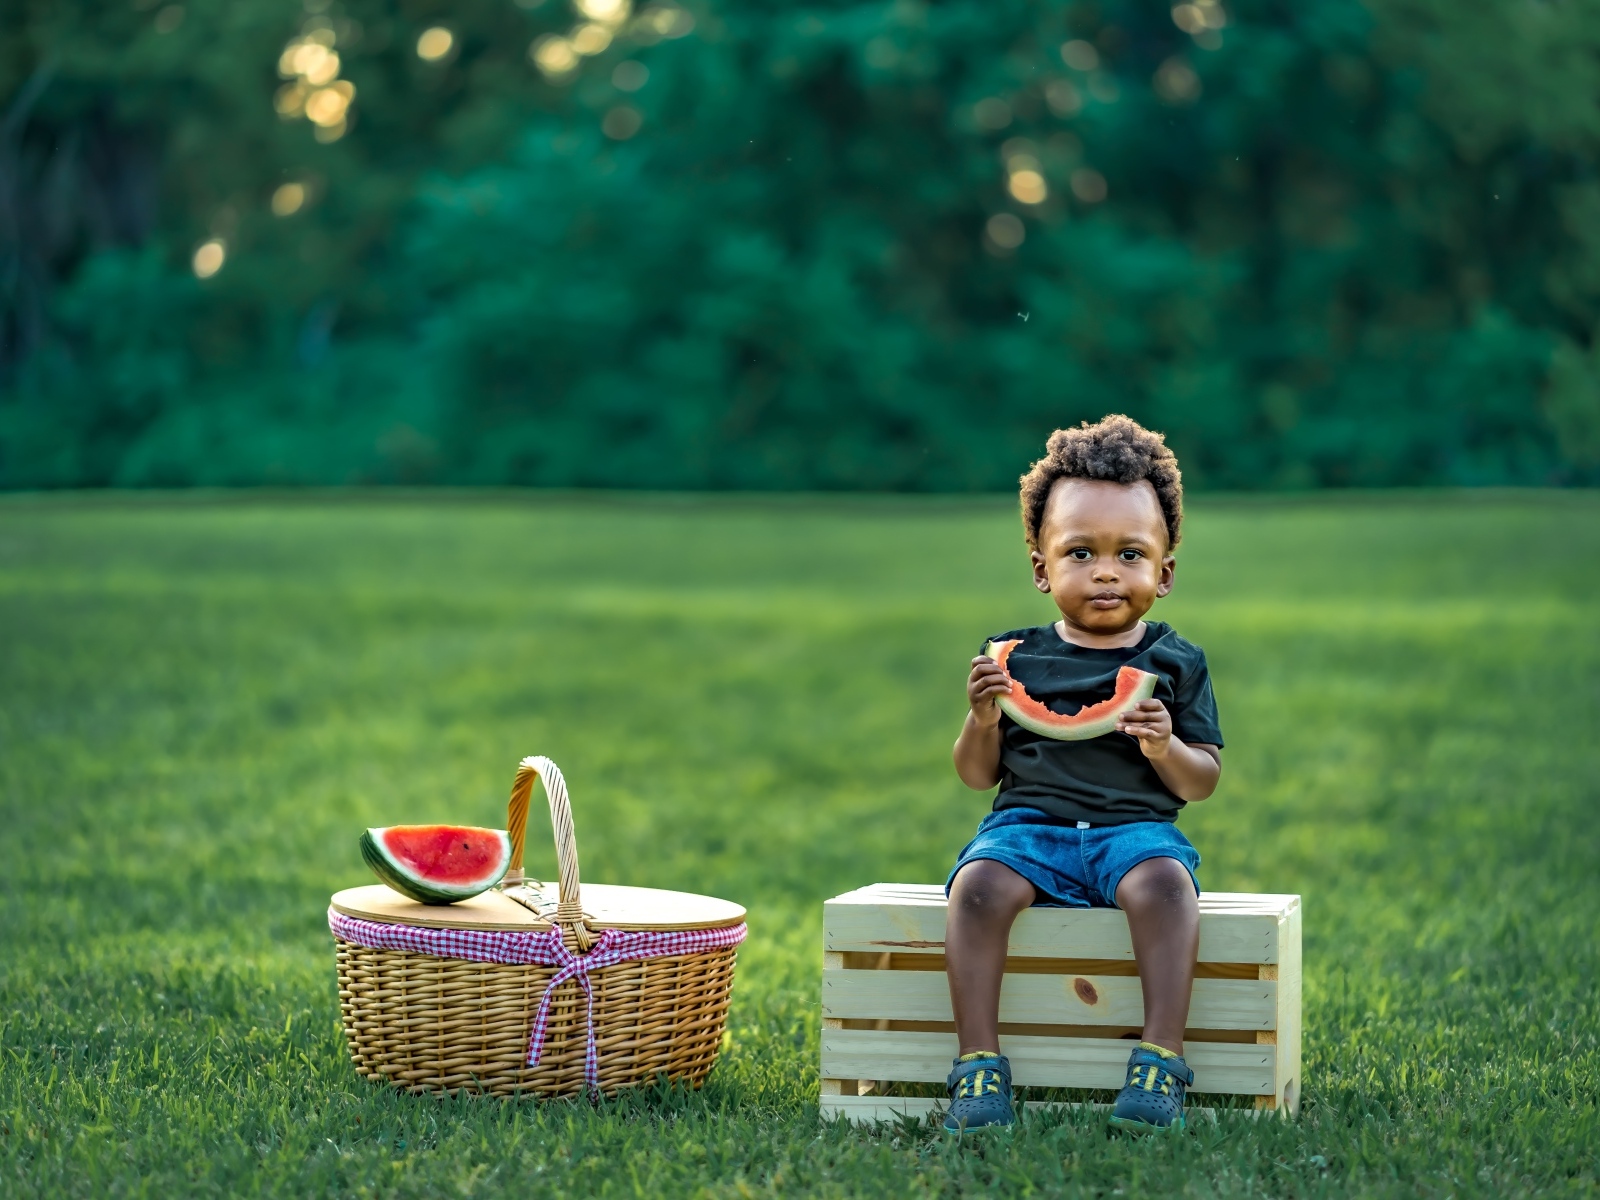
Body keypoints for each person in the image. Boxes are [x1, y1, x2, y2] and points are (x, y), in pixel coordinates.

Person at [942, 415, 1223, 1135]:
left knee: (1166, 886)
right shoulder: (1010, 658)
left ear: (1164, 573)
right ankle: (977, 1064)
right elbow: (977, 777)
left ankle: (1160, 1057)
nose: (1105, 571)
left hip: (1134, 832)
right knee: (975, 888)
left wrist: (1166, 747)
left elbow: (1202, 781)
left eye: (1129, 554)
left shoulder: (1175, 662)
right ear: (1042, 569)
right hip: (1026, 829)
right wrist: (980, 720)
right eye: (1080, 553)